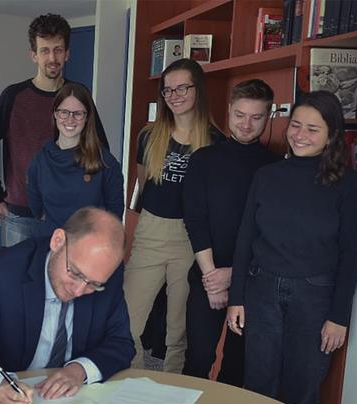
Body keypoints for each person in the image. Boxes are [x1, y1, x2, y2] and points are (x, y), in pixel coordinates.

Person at [227, 91, 357, 404]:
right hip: (262, 291)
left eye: (312, 129)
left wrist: (339, 317)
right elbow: (245, 238)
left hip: (315, 297)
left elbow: (350, 253)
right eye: (296, 125)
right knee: (259, 385)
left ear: (332, 135)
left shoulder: (348, 184)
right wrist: (237, 298)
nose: (300, 135)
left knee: (302, 390)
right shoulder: (267, 176)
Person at [0, 207, 134, 404]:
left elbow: (121, 343)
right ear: (58, 241)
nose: (79, 290)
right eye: (75, 273)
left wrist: (79, 370)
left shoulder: (104, 275)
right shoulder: (1, 271)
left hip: (72, 403)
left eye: (93, 284)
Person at [125, 58, 223, 373]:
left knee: (178, 328)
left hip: (191, 238)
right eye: (168, 90)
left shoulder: (216, 141)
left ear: (198, 90)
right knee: (128, 318)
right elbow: (143, 185)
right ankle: (132, 380)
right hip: (151, 231)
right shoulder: (148, 135)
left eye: (182, 87)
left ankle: (171, 389)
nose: (174, 95)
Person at [182, 79, 281, 386]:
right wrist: (214, 280)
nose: (247, 124)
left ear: (269, 116)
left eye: (256, 117)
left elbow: (272, 234)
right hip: (206, 275)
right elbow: (195, 221)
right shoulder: (202, 160)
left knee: (237, 367)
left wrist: (235, 275)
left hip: (252, 280)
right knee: (198, 359)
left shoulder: (276, 168)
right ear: (228, 111)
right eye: (240, 115)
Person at [0, 12, 110, 246]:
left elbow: (100, 148)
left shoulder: (78, 95)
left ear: (67, 54)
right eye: (45, 50)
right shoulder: (13, 96)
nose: (52, 57)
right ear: (33, 55)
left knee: (67, 280)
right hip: (23, 214)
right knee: (23, 279)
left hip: (71, 213)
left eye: (58, 49)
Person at [27, 82, 124, 237]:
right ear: (55, 114)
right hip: (52, 244)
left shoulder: (105, 162)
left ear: (87, 117)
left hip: (90, 249)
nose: (70, 120)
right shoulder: (40, 161)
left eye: (78, 113)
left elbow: (115, 214)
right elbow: (36, 206)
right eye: (64, 112)